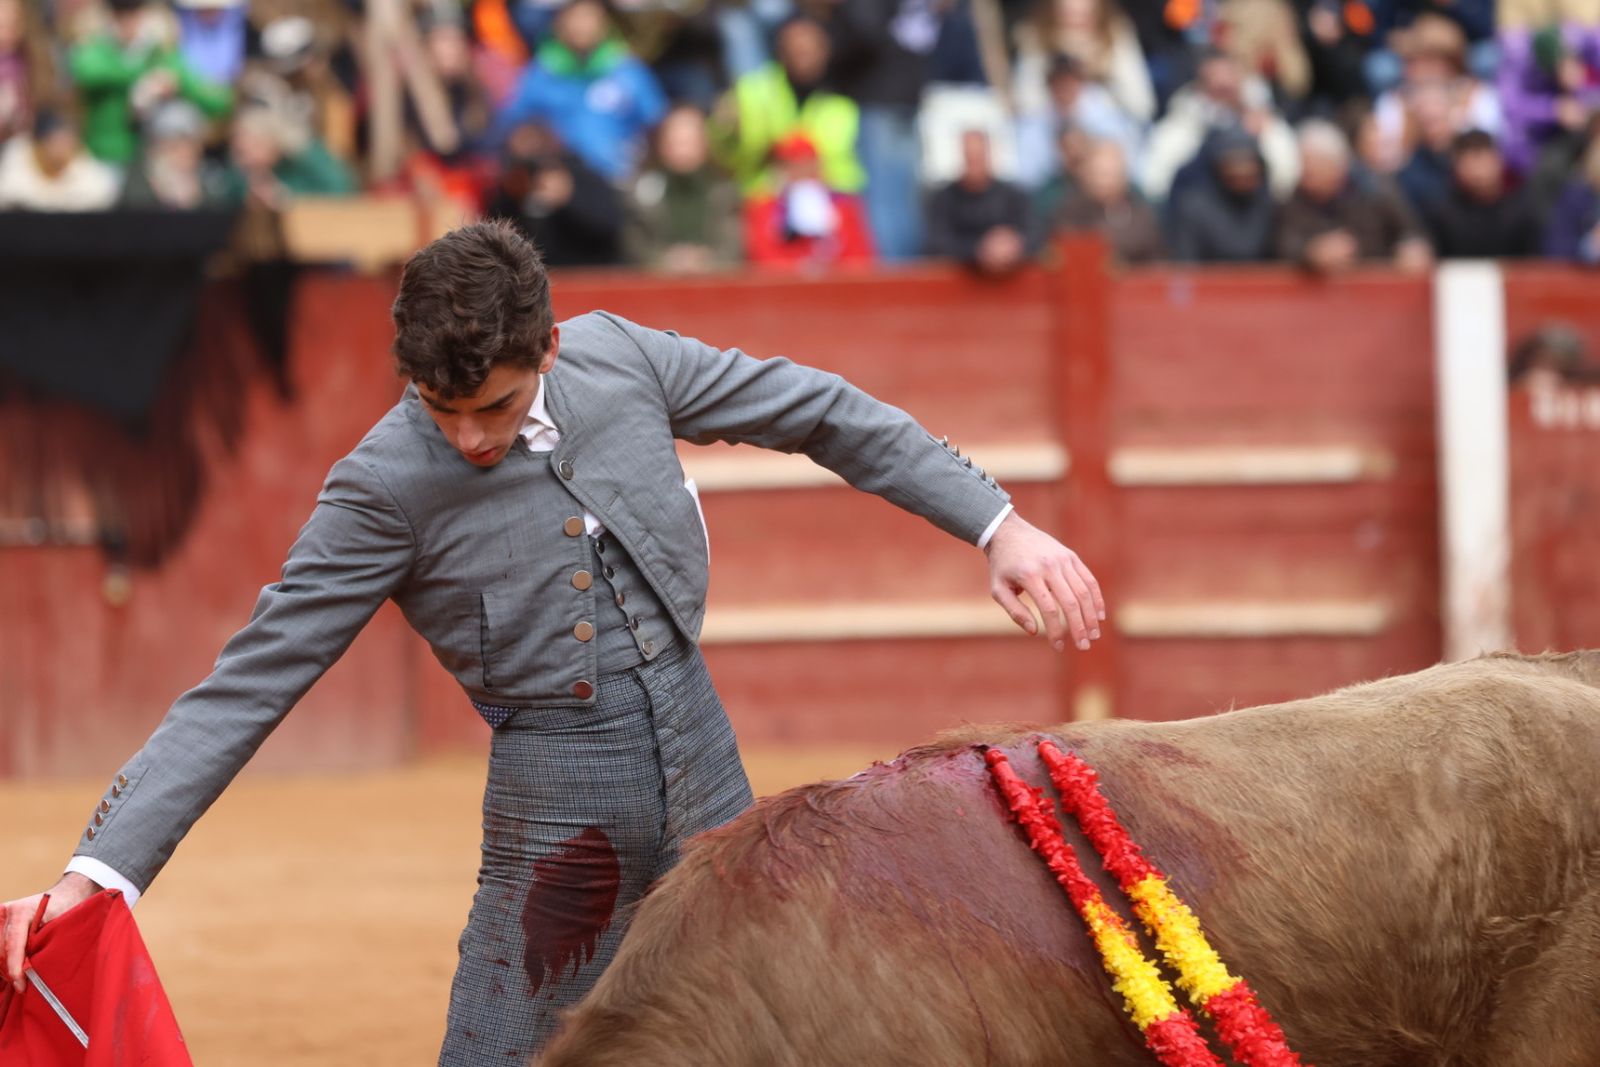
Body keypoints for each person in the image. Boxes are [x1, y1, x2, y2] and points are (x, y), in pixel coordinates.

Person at [0, 219, 1104, 1064]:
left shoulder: (618, 360)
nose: (470, 436)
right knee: (497, 1048)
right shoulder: (383, 486)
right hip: (555, 808)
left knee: (762, 1023)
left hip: (703, 752)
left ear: (552, 345)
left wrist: (994, 521)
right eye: (443, 410)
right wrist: (105, 869)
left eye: (493, 404)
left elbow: (813, 407)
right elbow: (250, 680)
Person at [496, 0, 667, 183]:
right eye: (575, 17)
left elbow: (658, 121)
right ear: (559, 23)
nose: (582, 26)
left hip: (624, 177)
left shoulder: (626, 69)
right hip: (565, 182)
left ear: (605, 22)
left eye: (589, 16)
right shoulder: (541, 72)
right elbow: (511, 125)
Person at [711, 13, 863, 199]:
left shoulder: (843, 99)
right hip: (766, 200)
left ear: (825, 51)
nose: (802, 58)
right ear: (781, 52)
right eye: (795, 51)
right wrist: (725, 129)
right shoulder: (752, 90)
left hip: (828, 203)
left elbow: (841, 166)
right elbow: (731, 153)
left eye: (808, 51)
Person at [68, 0, 233, 166]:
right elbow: (85, 72)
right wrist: (147, 73)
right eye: (119, 14)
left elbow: (217, 101)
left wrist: (175, 84)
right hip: (105, 156)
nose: (127, 21)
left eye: (134, 13)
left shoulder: (162, 54)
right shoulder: (97, 50)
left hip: (153, 160)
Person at [1275, 118, 1434, 273]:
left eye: (1315, 163)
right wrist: (1311, 253)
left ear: (1339, 165)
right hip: (1315, 293)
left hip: (1375, 286)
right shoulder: (1295, 199)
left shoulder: (1376, 190)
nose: (1308, 172)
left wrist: (1411, 249)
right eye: (1304, 164)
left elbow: (1412, 233)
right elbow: (1282, 244)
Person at [486, 120, 624, 267]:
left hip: (588, 272)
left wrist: (568, 198)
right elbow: (496, 232)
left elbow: (609, 228)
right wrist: (512, 194)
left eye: (533, 147)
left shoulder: (582, 177)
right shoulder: (512, 185)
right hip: (533, 276)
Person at [624, 102, 743, 272]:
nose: (682, 149)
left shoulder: (724, 191)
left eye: (689, 140)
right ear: (661, 142)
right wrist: (665, 260)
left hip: (713, 286)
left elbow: (733, 247)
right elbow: (633, 246)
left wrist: (705, 261)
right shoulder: (641, 191)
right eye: (676, 140)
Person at [743, 131, 875, 268]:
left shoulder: (844, 206)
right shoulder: (764, 210)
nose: (803, 173)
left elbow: (860, 261)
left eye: (808, 165)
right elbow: (767, 263)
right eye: (795, 166)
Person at [926, 127, 1039, 274]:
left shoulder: (1015, 196)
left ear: (989, 155)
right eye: (969, 158)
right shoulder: (944, 199)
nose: (974, 164)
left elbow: (1036, 232)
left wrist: (1013, 245)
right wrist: (979, 249)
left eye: (978, 157)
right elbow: (936, 242)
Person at [1167, 126, 1278, 262]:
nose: (1242, 170)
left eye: (1248, 162)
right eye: (1234, 162)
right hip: (1207, 281)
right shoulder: (1193, 208)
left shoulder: (1268, 205)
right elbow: (1185, 263)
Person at [1424, 129, 1542, 257]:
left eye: (1483, 162)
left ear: (1498, 162)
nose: (1478, 173)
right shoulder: (1442, 212)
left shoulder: (1522, 209)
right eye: (1470, 165)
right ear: (1457, 168)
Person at [1052, 137, 1164, 262]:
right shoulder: (1071, 211)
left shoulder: (1139, 210)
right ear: (1086, 174)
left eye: (1109, 174)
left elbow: (1149, 248)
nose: (1103, 181)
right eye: (1098, 174)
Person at [0, 108, 121, 210]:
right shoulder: (18, 156)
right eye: (54, 140)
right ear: (38, 143)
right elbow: (8, 193)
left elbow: (102, 193)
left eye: (66, 141)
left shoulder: (85, 167)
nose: (61, 149)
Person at [121, 98, 230, 208]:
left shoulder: (209, 183)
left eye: (193, 144)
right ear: (155, 149)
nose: (187, 152)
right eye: (175, 146)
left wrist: (195, 200)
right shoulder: (136, 184)